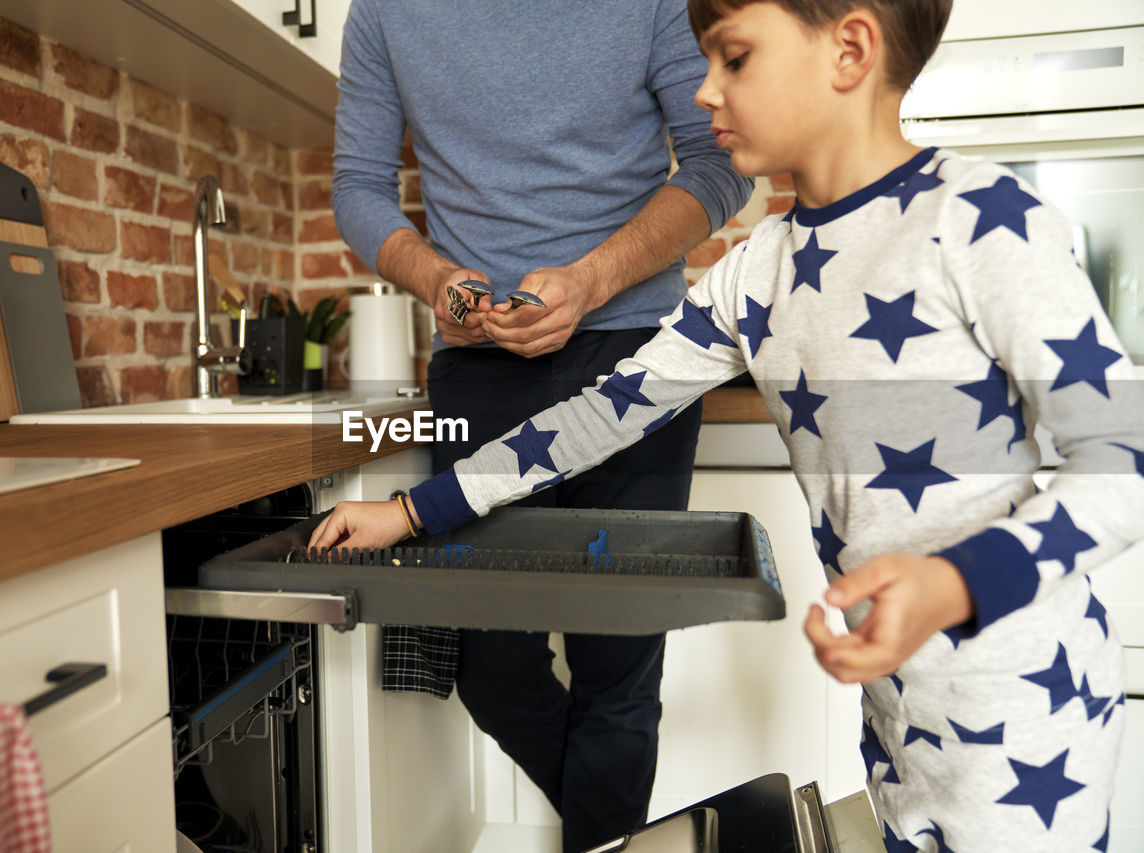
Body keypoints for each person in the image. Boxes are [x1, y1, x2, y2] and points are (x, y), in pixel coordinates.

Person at [318, 0, 1144, 849]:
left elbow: (1126, 461)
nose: (704, 92)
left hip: (1028, 722)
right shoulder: (755, 274)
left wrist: (951, 585)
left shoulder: (984, 219)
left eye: (734, 59)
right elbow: (595, 415)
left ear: (850, 49)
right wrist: (416, 512)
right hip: (898, 719)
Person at [331, 1, 754, 850]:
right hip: (478, 364)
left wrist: (594, 280)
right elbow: (357, 188)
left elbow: (722, 162)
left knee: (618, 669)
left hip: (637, 359)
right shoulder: (383, 10)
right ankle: (631, 839)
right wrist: (438, 277)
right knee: (490, 668)